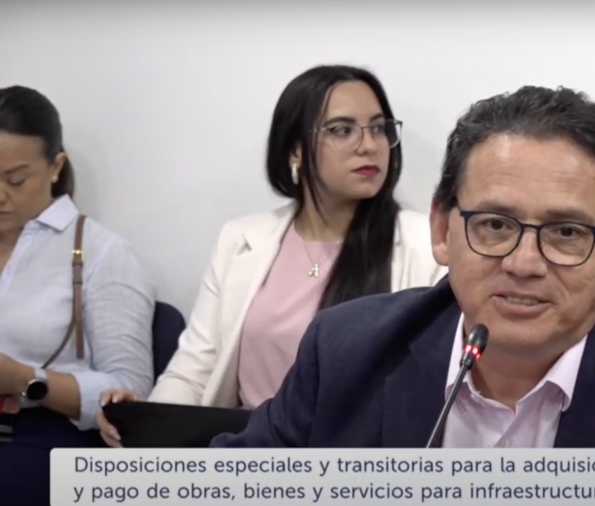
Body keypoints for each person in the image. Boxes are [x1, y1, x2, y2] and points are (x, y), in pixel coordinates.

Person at [139, 86, 595, 506]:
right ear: (443, 230)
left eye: (567, 233)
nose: (524, 262)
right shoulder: (347, 349)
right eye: (495, 225)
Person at [96, 65, 445, 444]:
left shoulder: (425, 245)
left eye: (378, 128)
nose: (369, 145)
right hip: (242, 452)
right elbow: (193, 373)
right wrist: (146, 422)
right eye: (343, 130)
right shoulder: (241, 240)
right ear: (295, 150)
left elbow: (429, 389)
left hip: (351, 462)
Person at [0, 85, 156, 506]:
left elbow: (129, 390)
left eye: (15, 180)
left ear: (56, 167)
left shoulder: (101, 253)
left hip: (46, 438)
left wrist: (24, 379)